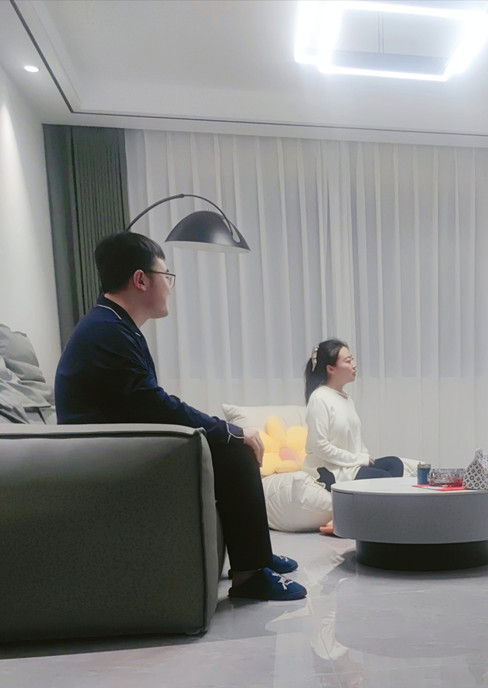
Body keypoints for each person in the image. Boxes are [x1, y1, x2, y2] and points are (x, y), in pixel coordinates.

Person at [55, 232, 306, 602]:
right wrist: (229, 431)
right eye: (166, 276)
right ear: (141, 280)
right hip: (103, 457)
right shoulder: (108, 331)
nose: (169, 287)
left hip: (111, 446)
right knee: (235, 447)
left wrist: (223, 430)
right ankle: (251, 575)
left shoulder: (110, 324)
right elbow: (154, 404)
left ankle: (257, 558)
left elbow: (146, 403)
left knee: (229, 440)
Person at [302, 339, 403, 534]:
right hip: (329, 470)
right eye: (348, 361)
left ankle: (378, 519)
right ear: (331, 369)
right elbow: (320, 446)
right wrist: (358, 459)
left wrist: (364, 456)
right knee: (383, 479)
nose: (354, 365)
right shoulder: (319, 399)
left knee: (394, 464)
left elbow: (355, 438)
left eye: (352, 359)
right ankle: (363, 523)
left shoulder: (346, 398)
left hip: (349, 464)